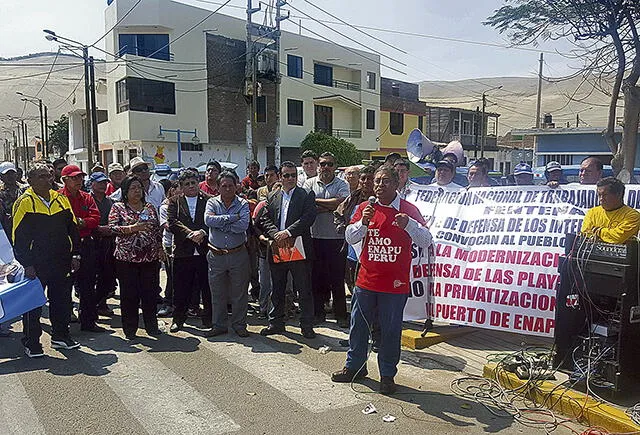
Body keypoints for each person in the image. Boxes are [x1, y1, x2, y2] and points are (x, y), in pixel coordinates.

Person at [331, 166, 432, 394]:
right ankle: (354, 368)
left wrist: (410, 225)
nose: (379, 185)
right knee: (358, 327)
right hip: (366, 282)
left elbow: (426, 241)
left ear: (397, 185)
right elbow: (349, 236)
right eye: (377, 181)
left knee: (390, 331)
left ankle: (387, 375)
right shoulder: (365, 208)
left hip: (395, 286)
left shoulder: (408, 210)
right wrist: (363, 223)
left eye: (385, 181)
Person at [13, 164, 81, 357]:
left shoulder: (61, 199)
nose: (46, 180)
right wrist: (26, 263)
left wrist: (76, 254)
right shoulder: (24, 202)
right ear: (30, 179)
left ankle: (61, 336)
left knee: (62, 301)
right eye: (41, 176)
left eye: (49, 176)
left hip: (61, 261)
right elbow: (18, 236)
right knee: (33, 304)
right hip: (36, 264)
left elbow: (72, 229)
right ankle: (31, 342)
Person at [257, 161, 317, 338]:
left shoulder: (306, 194)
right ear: (280, 177)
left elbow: (309, 217)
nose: (290, 178)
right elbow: (264, 219)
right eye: (286, 175)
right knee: (278, 288)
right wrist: (276, 234)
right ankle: (276, 322)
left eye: (293, 175)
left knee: (303, 288)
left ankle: (306, 326)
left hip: (298, 247)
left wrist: (288, 232)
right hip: (278, 247)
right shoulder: (272, 196)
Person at [108, 176, 163, 340]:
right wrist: (133, 228)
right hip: (127, 259)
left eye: (139, 187)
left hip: (149, 258)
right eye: (133, 188)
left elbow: (156, 230)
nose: (137, 191)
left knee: (150, 293)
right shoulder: (118, 207)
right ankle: (130, 329)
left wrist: (160, 248)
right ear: (125, 191)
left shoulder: (150, 207)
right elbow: (112, 228)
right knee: (129, 295)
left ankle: (151, 325)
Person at [304, 152, 351, 327]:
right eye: (323, 164)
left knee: (337, 279)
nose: (326, 167)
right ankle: (318, 314)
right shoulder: (309, 183)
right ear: (318, 166)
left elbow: (342, 204)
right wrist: (330, 206)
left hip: (336, 238)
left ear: (335, 166)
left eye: (329, 164)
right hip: (315, 237)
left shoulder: (342, 183)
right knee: (317, 278)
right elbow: (307, 207)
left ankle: (340, 315)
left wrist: (318, 202)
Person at [205, 171, 251, 337]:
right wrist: (232, 218)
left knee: (239, 293)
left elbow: (243, 225)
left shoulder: (243, 204)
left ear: (237, 186)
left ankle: (239, 324)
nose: (227, 189)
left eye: (230, 185)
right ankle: (219, 325)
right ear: (218, 187)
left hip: (238, 254)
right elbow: (208, 220)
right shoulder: (211, 202)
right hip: (216, 255)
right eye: (223, 186)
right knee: (217, 293)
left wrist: (221, 223)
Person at [167, 169, 212, 332]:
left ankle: (208, 318)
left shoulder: (209, 200)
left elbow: (211, 219)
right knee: (180, 288)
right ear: (181, 186)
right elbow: (172, 222)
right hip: (183, 251)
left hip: (204, 250)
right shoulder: (174, 201)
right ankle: (178, 319)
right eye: (187, 184)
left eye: (194, 183)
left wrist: (202, 232)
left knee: (206, 287)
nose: (191, 186)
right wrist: (190, 234)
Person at [59, 165, 102, 333]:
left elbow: (95, 219)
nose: (79, 180)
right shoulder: (58, 198)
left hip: (86, 244)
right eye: (74, 178)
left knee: (88, 284)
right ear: (64, 180)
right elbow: (61, 223)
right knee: (64, 285)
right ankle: (63, 322)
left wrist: (79, 222)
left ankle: (88, 321)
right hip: (65, 246)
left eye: (80, 177)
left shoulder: (86, 197)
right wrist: (81, 221)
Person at [334, 165, 376, 292]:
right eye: (363, 178)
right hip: (352, 252)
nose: (366, 182)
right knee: (354, 287)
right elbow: (338, 213)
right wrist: (342, 227)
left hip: (373, 252)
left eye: (370, 179)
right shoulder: (352, 198)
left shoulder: (381, 200)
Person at [89, 172, 117, 318]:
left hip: (107, 243)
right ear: (92, 183)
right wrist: (98, 229)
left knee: (107, 275)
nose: (103, 185)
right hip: (90, 241)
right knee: (90, 277)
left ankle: (101, 303)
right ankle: (89, 306)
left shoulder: (110, 202)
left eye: (105, 182)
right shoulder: (87, 199)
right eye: (99, 182)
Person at [581, 177, 640, 244]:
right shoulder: (592, 212)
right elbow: (585, 234)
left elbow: (618, 238)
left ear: (618, 195)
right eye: (599, 195)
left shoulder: (633, 216)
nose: (601, 199)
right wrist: (608, 234)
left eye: (605, 195)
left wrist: (598, 231)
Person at [0, 162, 26, 241]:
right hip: (7, 231)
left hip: (25, 228)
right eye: (7, 174)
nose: (10, 176)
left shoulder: (25, 189)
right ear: (1, 177)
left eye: (12, 173)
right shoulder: (0, 193)